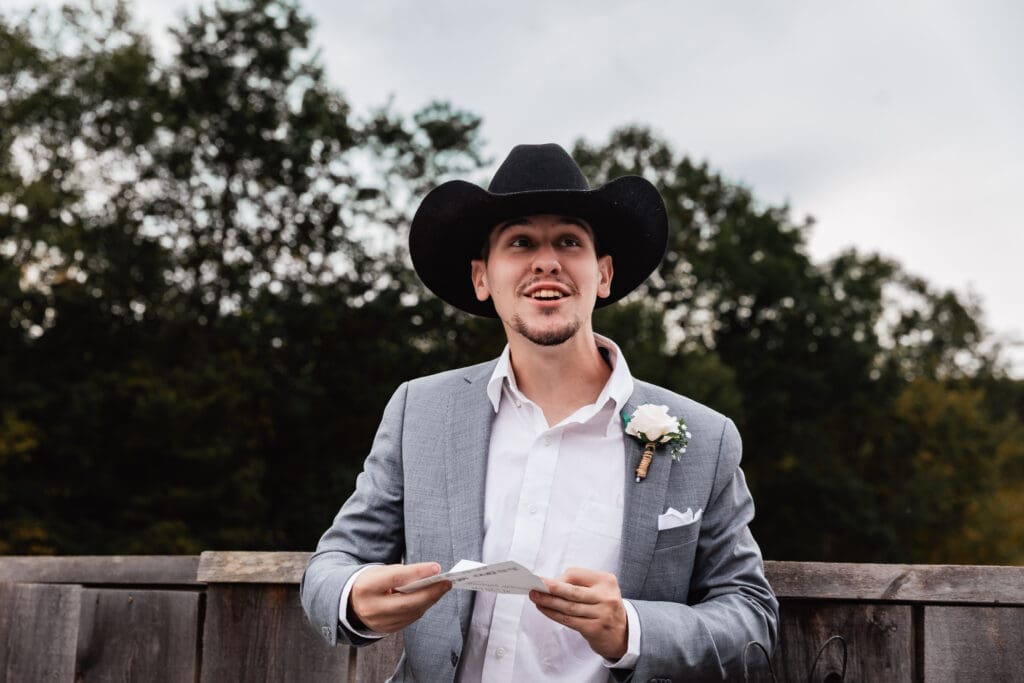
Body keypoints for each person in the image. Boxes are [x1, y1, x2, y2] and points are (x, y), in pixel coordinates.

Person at [301, 143, 778, 682]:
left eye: (569, 241)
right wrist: (352, 597)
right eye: (521, 241)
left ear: (603, 274)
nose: (546, 260)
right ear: (482, 278)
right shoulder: (420, 411)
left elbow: (751, 620)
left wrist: (631, 628)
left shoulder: (706, 439)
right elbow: (330, 565)